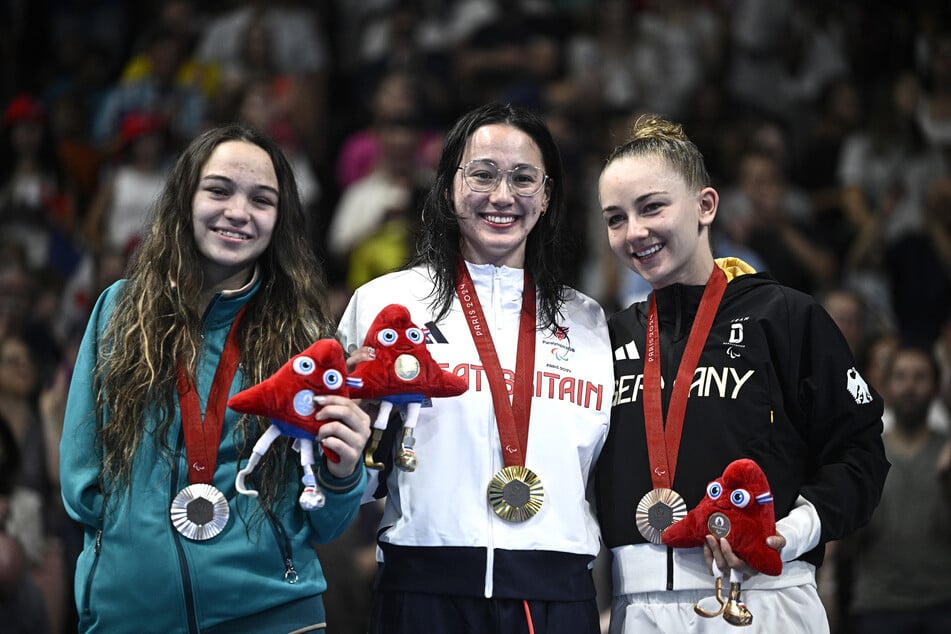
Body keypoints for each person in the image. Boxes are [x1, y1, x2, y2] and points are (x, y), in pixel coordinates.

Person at [59, 124, 371, 633]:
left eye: (262, 199)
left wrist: (342, 473)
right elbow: (81, 478)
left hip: (272, 614)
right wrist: (133, 545)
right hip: (134, 613)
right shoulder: (120, 309)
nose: (238, 212)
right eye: (219, 190)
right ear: (186, 197)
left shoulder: (308, 340)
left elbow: (327, 522)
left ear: (280, 219)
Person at [595, 113, 889, 633]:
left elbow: (860, 454)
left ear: (706, 206)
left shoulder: (785, 316)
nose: (634, 232)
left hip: (760, 598)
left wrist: (790, 531)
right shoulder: (611, 336)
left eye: (652, 207)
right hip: (636, 607)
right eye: (615, 218)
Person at [336, 102, 613, 634]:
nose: (502, 196)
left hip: (555, 598)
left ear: (548, 195)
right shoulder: (384, 306)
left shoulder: (589, 322)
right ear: (447, 187)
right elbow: (355, 469)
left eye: (523, 178)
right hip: (422, 592)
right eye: (483, 175)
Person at [846, 345, 951, 633]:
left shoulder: (947, 451)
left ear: (936, 387)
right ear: (887, 385)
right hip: (878, 604)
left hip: (942, 602)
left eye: (920, 377)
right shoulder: (865, 455)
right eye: (901, 376)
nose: (909, 387)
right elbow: (847, 543)